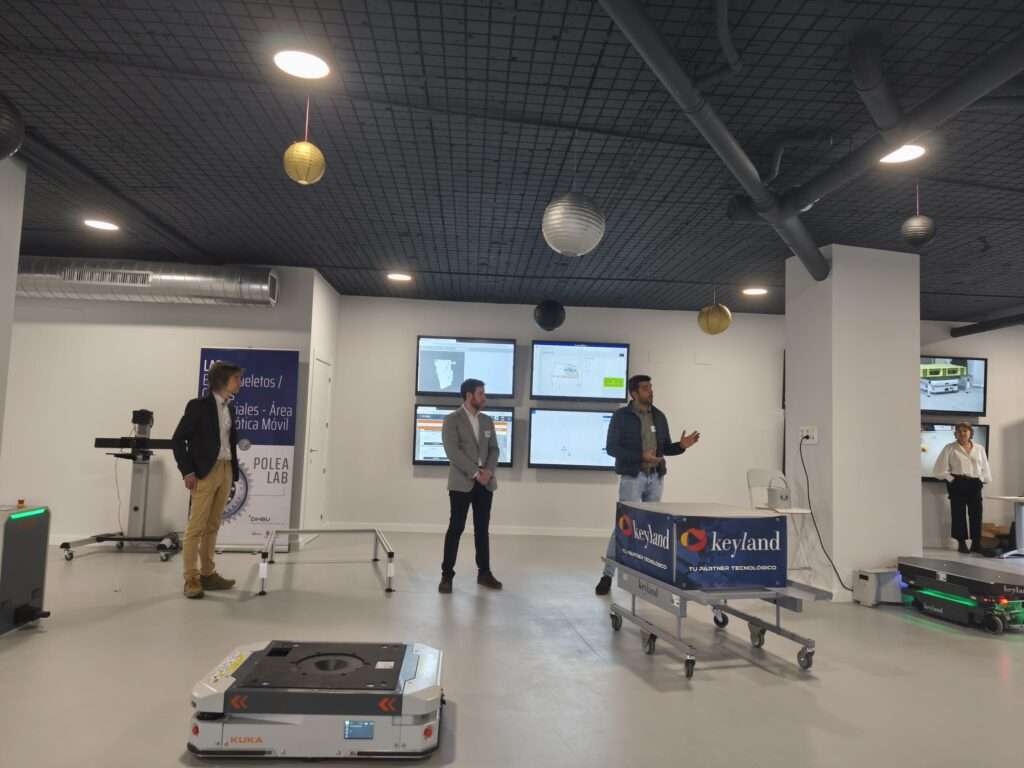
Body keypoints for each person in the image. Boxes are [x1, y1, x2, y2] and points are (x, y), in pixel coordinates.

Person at [596, 374, 700, 596]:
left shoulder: (659, 416)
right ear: (634, 393)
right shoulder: (621, 417)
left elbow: (665, 448)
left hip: (655, 478)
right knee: (625, 526)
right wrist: (640, 456)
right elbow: (612, 448)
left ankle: (649, 576)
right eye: (645, 388)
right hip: (632, 477)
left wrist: (681, 446)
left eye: (651, 387)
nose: (651, 391)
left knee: (653, 529)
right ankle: (607, 575)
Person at [172, 361, 243, 599]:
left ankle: (208, 574)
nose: (240, 382)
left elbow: (227, 441)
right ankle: (190, 578)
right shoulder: (198, 406)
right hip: (205, 472)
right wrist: (187, 471)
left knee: (213, 526)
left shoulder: (230, 408)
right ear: (223, 380)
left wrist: (231, 470)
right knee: (196, 527)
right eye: (236, 378)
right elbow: (178, 440)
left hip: (226, 469)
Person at [439, 378, 503, 594]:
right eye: (481, 393)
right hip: (461, 483)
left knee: (482, 529)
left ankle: (484, 573)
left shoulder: (487, 421)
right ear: (469, 395)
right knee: (456, 528)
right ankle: (447, 575)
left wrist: (488, 472)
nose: (484, 397)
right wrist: (476, 473)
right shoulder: (452, 420)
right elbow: (453, 452)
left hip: (486, 484)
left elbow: (494, 449)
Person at [933, 422, 991, 554]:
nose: (962, 433)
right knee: (958, 514)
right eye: (959, 431)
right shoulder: (949, 448)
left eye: (965, 431)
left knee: (976, 514)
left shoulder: (979, 448)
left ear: (970, 433)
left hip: (974, 483)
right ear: (955, 434)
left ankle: (976, 544)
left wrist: (982, 480)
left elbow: (985, 467)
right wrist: (951, 479)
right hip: (957, 483)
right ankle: (961, 543)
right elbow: (939, 470)